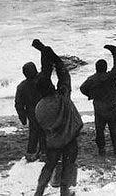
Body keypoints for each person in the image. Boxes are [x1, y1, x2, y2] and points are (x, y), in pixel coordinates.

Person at [32, 40, 82, 196]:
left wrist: (43, 53)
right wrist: (49, 53)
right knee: (68, 165)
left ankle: (39, 191)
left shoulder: (39, 107)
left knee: (49, 165)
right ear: (52, 87)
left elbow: (45, 75)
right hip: (69, 138)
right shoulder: (62, 97)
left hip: (52, 141)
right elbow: (63, 73)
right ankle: (65, 193)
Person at [80, 45, 116, 156]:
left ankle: (101, 149)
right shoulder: (110, 76)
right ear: (105, 67)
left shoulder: (92, 79)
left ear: (96, 68)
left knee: (99, 130)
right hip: (112, 107)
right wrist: (115, 53)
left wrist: (91, 95)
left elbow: (82, 88)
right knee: (115, 129)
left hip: (99, 107)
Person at [15, 62, 46, 162]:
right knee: (45, 133)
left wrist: (23, 118)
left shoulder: (21, 86)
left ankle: (31, 154)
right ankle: (44, 153)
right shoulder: (42, 81)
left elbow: (18, 105)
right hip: (45, 111)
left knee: (33, 133)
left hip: (32, 113)